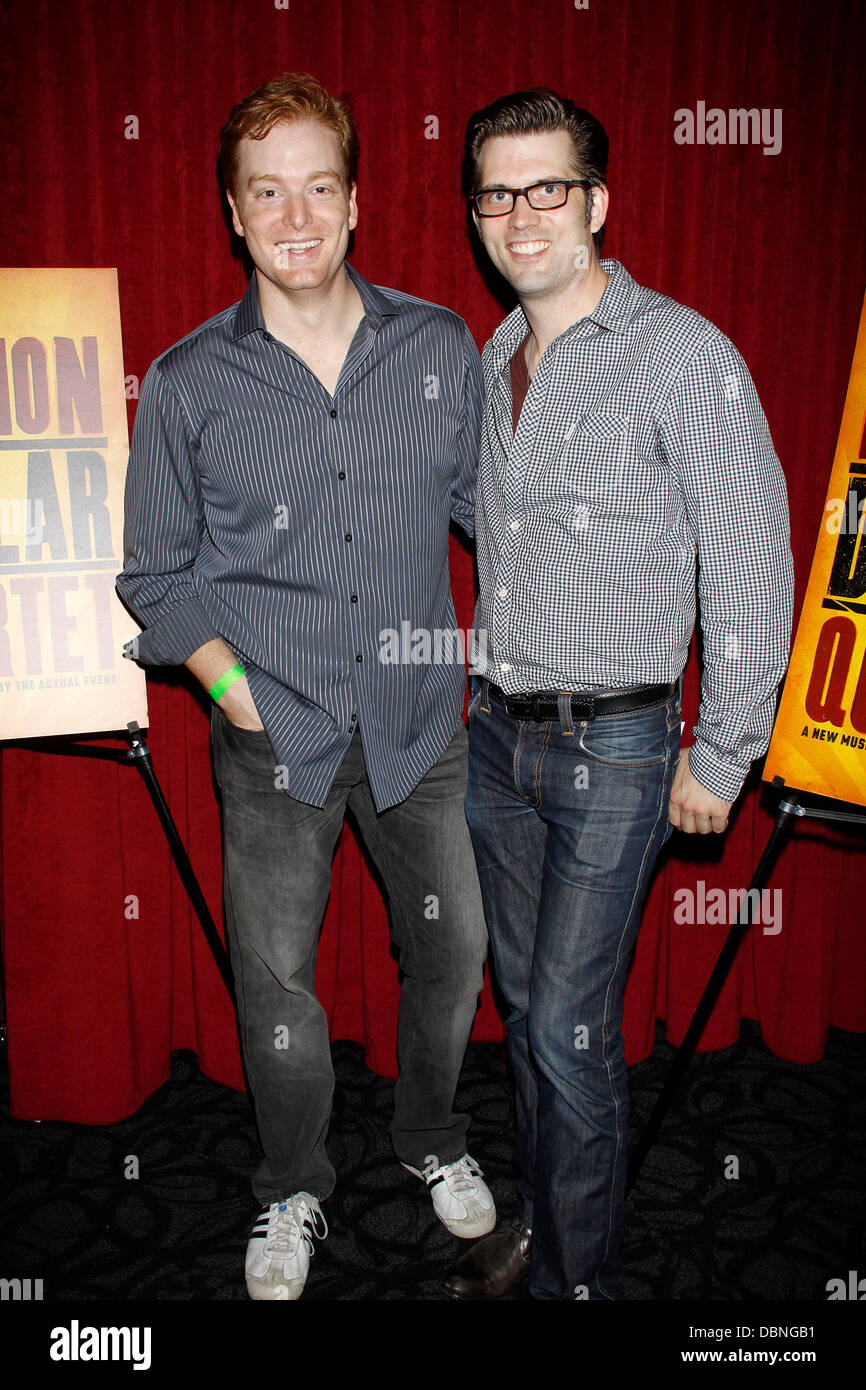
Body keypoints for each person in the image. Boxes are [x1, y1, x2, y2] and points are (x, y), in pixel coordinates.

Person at [116, 72, 494, 1302]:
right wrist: (232, 689)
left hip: (418, 727)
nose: (295, 217)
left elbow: (496, 520)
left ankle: (430, 1138)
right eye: (266, 192)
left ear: (356, 200)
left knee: (451, 958)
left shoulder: (439, 348)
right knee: (276, 981)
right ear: (233, 212)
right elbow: (154, 577)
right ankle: (292, 1184)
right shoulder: (185, 384)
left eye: (317, 188)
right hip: (269, 732)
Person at [443, 88, 793, 1302]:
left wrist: (725, 748)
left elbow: (750, 553)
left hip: (621, 750)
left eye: (546, 187)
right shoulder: (492, 362)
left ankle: (571, 1284)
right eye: (495, 191)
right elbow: (493, 528)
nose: (518, 214)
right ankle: (552, 1228)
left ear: (597, 200)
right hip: (498, 742)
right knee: (534, 1012)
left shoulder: (681, 353)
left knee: (565, 1031)